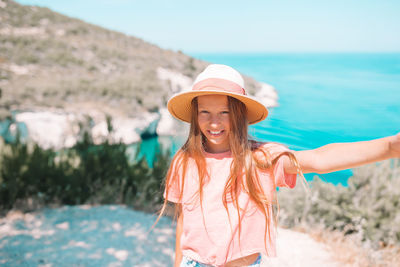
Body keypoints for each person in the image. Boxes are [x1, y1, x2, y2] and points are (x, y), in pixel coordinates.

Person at [157, 64, 400, 267]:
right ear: (194, 115)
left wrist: (389, 147)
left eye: (225, 112)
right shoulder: (185, 160)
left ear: (240, 115)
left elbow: (319, 159)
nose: (214, 122)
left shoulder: (260, 157)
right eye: (204, 112)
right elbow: (183, 221)